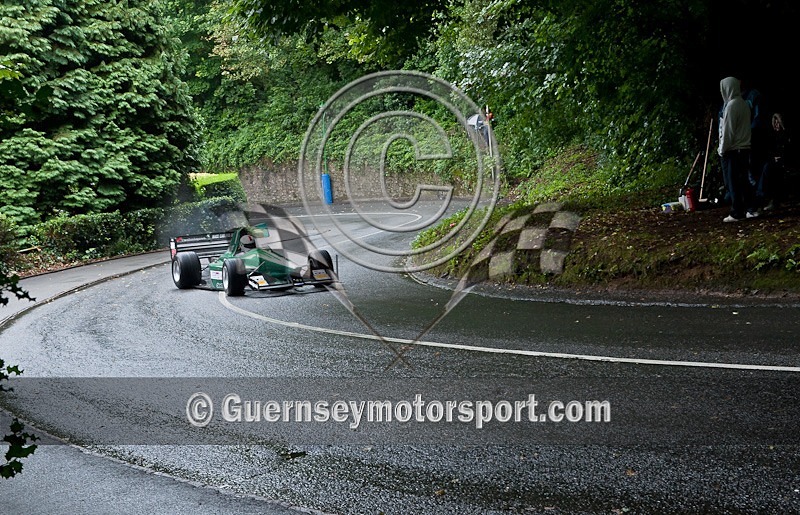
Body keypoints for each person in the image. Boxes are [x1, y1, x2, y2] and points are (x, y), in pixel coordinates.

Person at [718, 76, 759, 222]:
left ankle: (737, 212)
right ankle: (751, 209)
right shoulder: (744, 103)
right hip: (745, 147)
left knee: (733, 182)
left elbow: (728, 131)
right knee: (744, 181)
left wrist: (722, 149)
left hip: (733, 149)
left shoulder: (731, 106)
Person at [757, 112, 792, 211]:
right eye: (775, 123)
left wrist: (781, 158)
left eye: (778, 123)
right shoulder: (772, 136)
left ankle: (767, 198)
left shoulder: (786, 136)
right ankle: (764, 197)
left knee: (770, 169)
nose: (776, 125)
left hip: (784, 161)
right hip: (774, 161)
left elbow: (789, 151)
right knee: (767, 167)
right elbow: (768, 151)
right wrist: (773, 158)